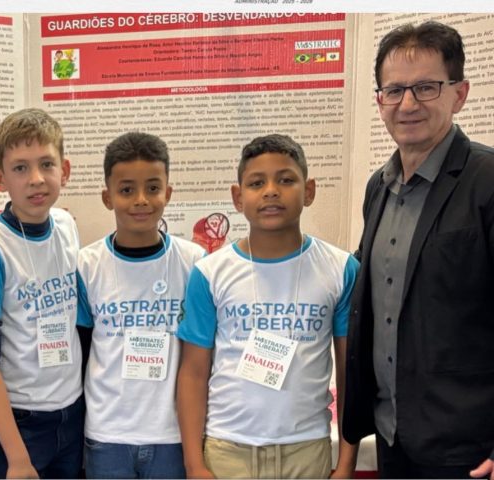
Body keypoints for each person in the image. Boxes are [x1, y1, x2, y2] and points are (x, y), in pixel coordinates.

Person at [343, 21, 494, 479]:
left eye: (426, 88)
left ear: (459, 94)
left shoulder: (487, 181)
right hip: (393, 436)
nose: (407, 104)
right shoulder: (378, 188)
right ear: (380, 101)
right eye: (394, 90)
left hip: (469, 449)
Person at [177, 134, 359, 479]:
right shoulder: (210, 273)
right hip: (228, 450)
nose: (271, 191)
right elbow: (193, 373)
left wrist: (347, 462)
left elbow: (351, 371)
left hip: (306, 450)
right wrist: (194, 464)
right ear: (238, 197)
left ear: (309, 191)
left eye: (286, 180)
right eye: (257, 183)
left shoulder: (341, 269)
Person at [0, 108, 83, 479]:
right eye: (20, 168)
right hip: (17, 423)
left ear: (65, 170)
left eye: (47, 164)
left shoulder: (66, 225)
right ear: (1, 178)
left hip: (72, 411)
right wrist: (16, 457)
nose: (36, 179)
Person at [76, 131, 205, 479]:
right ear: (107, 197)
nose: (141, 200)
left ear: (168, 193)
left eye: (152, 188)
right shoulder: (86, 265)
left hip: (172, 435)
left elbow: (202, 355)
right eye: (127, 190)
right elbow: (83, 349)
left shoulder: (194, 262)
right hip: (107, 435)